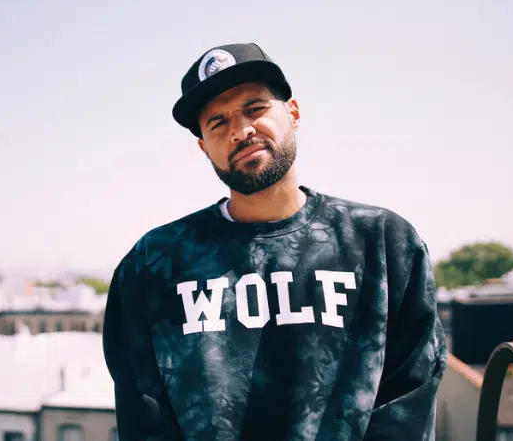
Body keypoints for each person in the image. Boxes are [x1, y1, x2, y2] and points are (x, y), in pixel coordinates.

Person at [102, 42, 448, 440]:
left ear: (293, 113)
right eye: (218, 123)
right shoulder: (155, 263)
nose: (241, 131)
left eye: (255, 109)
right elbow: (143, 414)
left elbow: (408, 398)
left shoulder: (383, 243)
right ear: (203, 147)